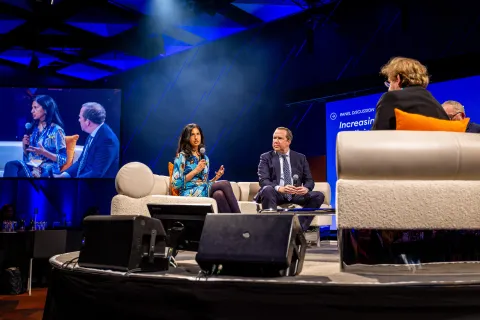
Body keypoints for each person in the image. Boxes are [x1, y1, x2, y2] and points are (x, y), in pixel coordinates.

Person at [255, 127, 325, 219]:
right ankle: (271, 230)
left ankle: (298, 228)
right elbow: (263, 180)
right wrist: (280, 188)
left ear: (288, 141)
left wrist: (306, 188)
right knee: (267, 189)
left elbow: (309, 180)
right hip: (276, 193)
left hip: (295, 195)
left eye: (279, 138)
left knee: (319, 195)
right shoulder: (266, 157)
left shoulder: (300, 158)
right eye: (274, 138)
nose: (275, 141)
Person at [171, 123, 241, 213]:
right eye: (192, 134)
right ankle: (241, 219)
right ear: (187, 138)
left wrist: (216, 177)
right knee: (225, 184)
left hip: (203, 189)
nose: (196, 137)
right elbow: (175, 184)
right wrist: (196, 170)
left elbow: (205, 183)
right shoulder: (182, 156)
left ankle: (230, 225)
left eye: (198, 134)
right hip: (189, 192)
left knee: (218, 195)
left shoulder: (205, 158)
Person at [371, 57, 449, 130]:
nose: (389, 89)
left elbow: (378, 136)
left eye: (390, 83)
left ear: (398, 79)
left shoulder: (391, 97)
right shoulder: (438, 106)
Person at [4, 95, 67, 178]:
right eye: (32, 108)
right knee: (10, 165)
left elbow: (63, 159)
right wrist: (24, 146)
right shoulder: (34, 128)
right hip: (32, 166)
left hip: (46, 169)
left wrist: (44, 152)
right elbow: (27, 158)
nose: (31, 111)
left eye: (35, 108)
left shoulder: (57, 130)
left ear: (45, 109)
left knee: (21, 173)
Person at [55, 102, 119, 178]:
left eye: (80, 117)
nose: (79, 120)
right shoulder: (94, 133)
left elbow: (96, 173)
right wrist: (65, 175)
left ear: (88, 122)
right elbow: (81, 162)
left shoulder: (107, 140)